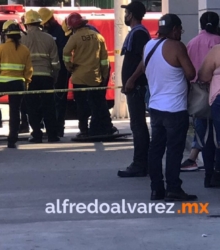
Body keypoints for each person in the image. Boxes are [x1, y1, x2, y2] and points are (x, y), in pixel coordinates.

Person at [142, 14, 197, 201]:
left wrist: (132, 81)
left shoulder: (149, 46)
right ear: (174, 29)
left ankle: (156, 189)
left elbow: (142, 68)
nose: (181, 33)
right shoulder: (176, 46)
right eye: (180, 29)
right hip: (175, 109)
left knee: (155, 149)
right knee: (174, 150)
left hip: (156, 107)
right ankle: (173, 188)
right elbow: (191, 73)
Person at [63, 12, 116, 137]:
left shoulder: (75, 37)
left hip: (79, 77)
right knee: (98, 104)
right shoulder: (98, 37)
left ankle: (84, 130)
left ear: (73, 27)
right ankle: (104, 127)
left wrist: (70, 67)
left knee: (81, 106)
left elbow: (66, 52)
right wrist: (103, 76)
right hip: (95, 77)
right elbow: (104, 60)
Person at [182, 12, 220, 173]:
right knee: (216, 133)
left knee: (202, 132)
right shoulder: (217, 42)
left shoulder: (192, 42)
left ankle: (204, 166)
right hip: (214, 91)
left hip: (199, 93)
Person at [0, 20, 33, 148]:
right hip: (18, 84)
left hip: (2, 82)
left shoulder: (1, 48)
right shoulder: (25, 49)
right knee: (15, 110)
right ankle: (12, 140)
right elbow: (28, 70)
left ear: (6, 34)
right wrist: (26, 82)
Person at [117, 1, 151, 178]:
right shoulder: (136, 34)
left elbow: (143, 60)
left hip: (136, 87)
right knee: (137, 125)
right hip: (134, 86)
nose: (125, 15)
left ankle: (140, 164)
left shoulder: (139, 35)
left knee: (138, 126)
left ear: (132, 15)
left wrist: (131, 80)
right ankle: (142, 163)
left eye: (127, 12)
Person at [21, 10, 61, 143]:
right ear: (40, 23)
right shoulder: (49, 38)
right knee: (49, 107)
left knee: (32, 107)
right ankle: (52, 135)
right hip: (46, 77)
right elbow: (55, 62)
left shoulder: (22, 38)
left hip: (30, 78)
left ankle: (37, 135)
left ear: (26, 24)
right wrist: (54, 77)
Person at [38, 7, 69, 137]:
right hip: (48, 72)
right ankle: (51, 127)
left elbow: (63, 52)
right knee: (48, 101)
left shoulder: (60, 32)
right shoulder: (45, 33)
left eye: (44, 23)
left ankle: (59, 128)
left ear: (50, 20)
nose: (43, 26)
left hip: (60, 71)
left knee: (59, 101)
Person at [197, 29, 220, 187]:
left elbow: (204, 75)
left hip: (218, 99)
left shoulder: (217, 51)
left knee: (213, 137)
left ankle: (213, 175)